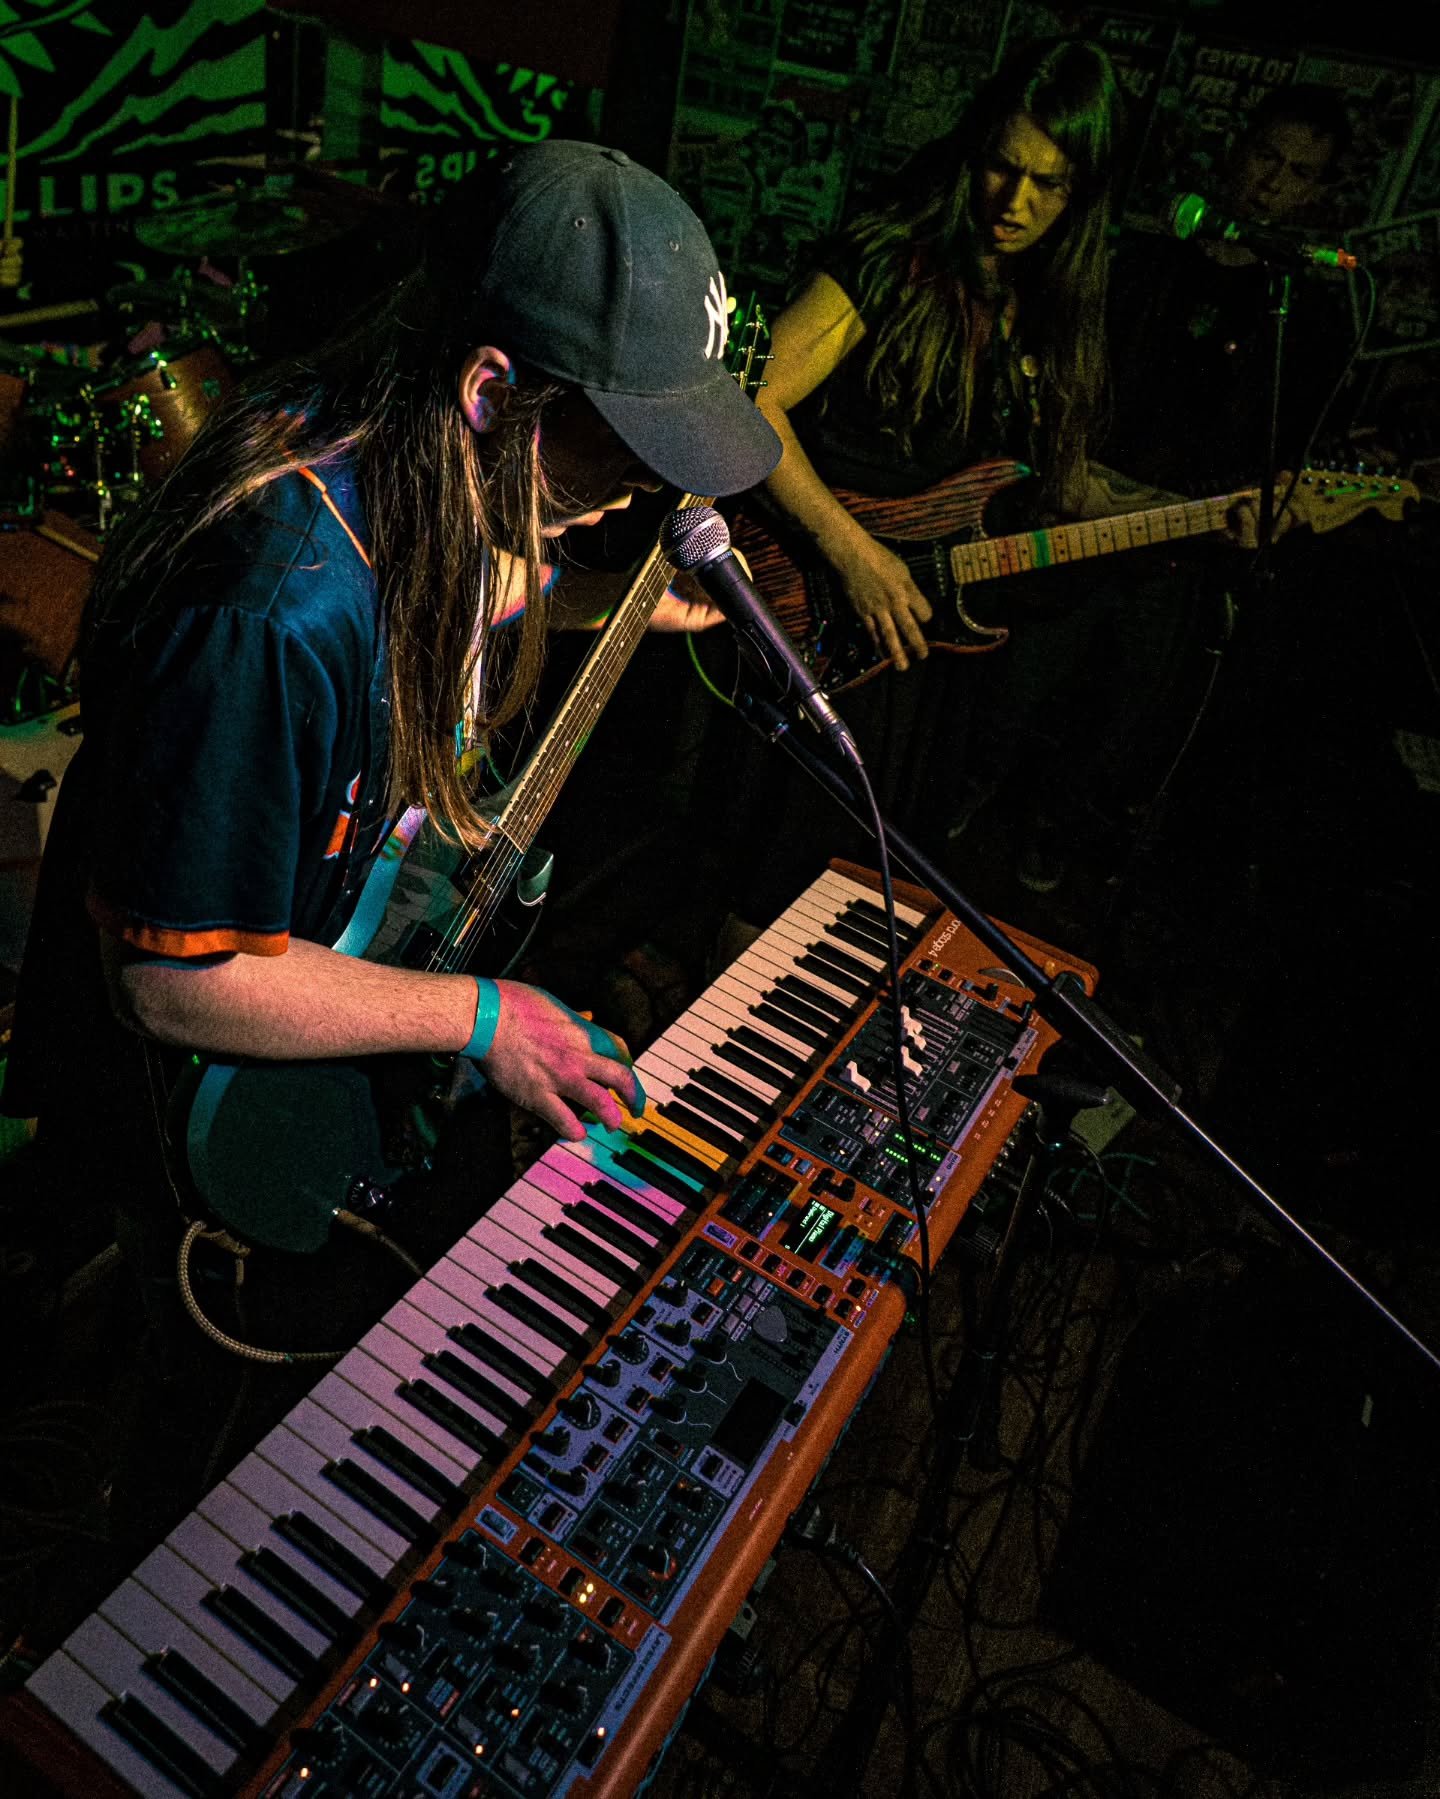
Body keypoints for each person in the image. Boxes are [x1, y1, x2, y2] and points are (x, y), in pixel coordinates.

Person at [0, 140, 781, 1546]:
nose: (644, 491)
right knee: (153, 1480)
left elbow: (478, 574)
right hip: (168, 1122)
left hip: (262, 1053)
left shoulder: (431, 464)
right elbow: (177, 976)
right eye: (621, 444)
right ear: (491, 389)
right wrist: (482, 1014)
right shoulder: (277, 604)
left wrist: (596, 595)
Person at [700, 37, 1154, 921]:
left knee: (865, 892)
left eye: (1047, 183)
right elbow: (753, 400)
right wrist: (854, 553)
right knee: (769, 873)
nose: (1013, 201)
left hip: (935, 637)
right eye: (1000, 166)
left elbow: (1059, 484)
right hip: (828, 597)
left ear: (1085, 192)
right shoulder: (893, 256)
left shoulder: (1060, 311)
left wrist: (1196, 515)